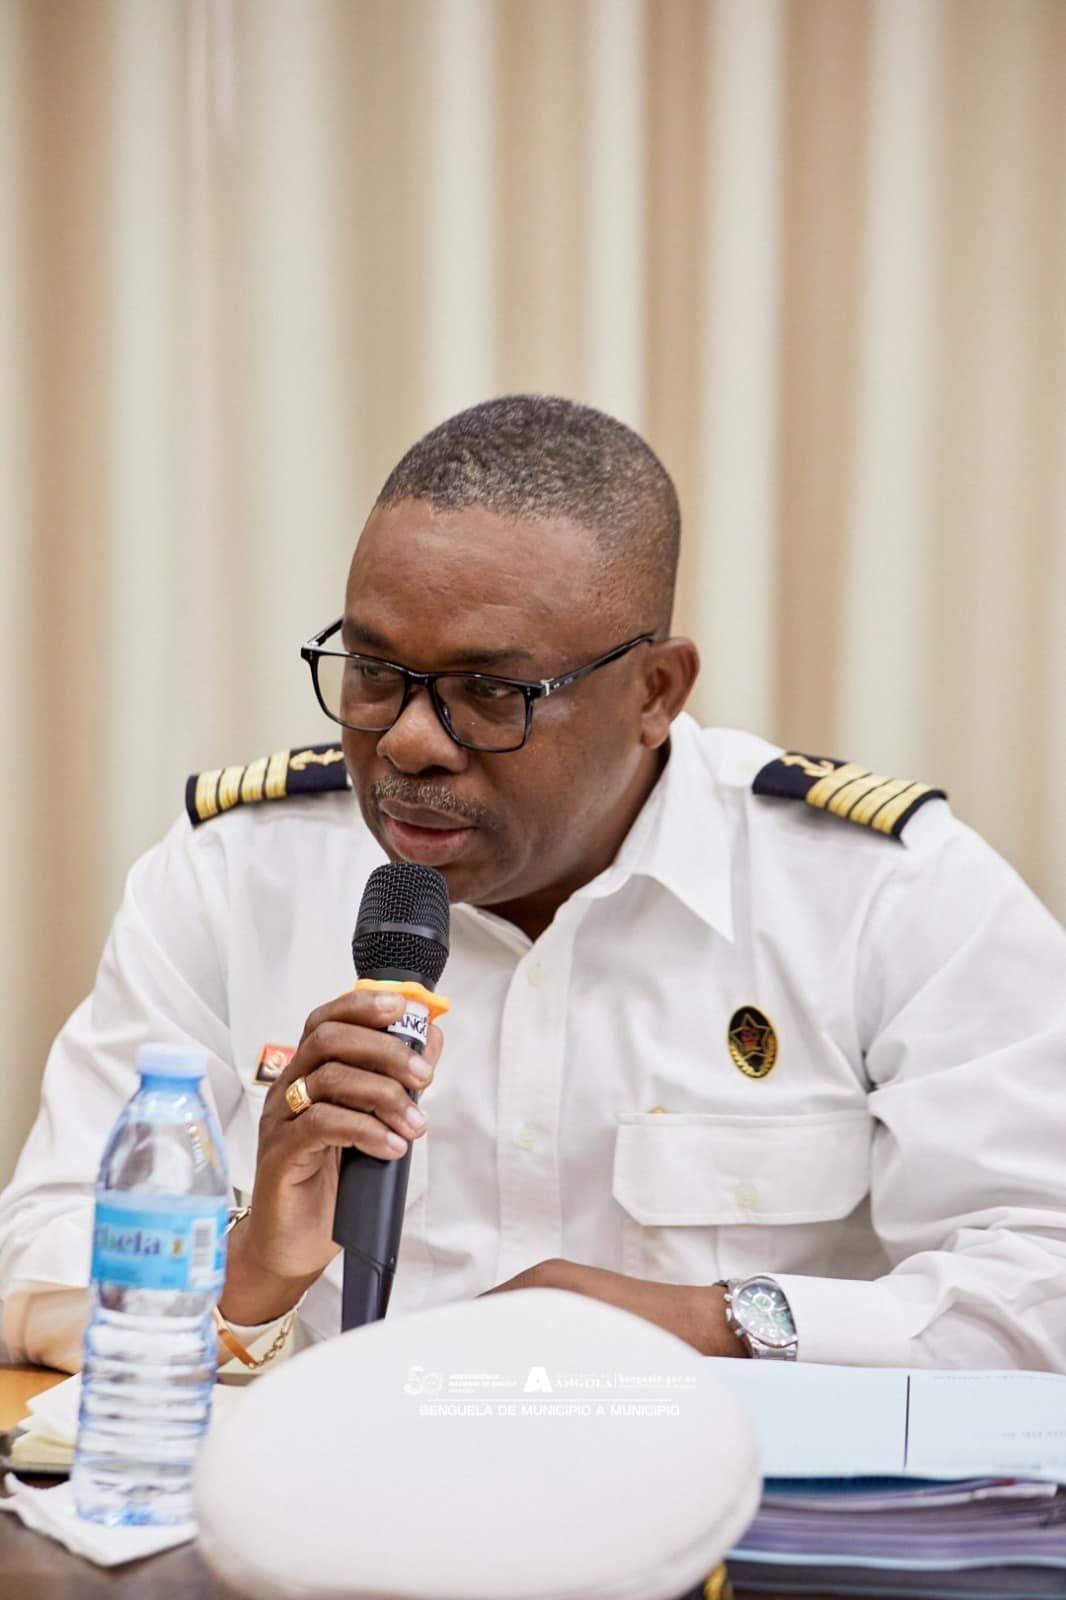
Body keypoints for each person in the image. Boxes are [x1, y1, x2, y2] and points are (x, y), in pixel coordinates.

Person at [2, 395, 1064, 1376]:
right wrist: (248, 1273)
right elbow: (40, 1263)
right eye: (374, 672)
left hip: (724, 1506)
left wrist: (705, 1323)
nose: (409, 741)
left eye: (489, 690)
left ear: (655, 692)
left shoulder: (883, 894)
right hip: (322, 1495)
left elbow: (1042, 1276)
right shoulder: (234, 874)